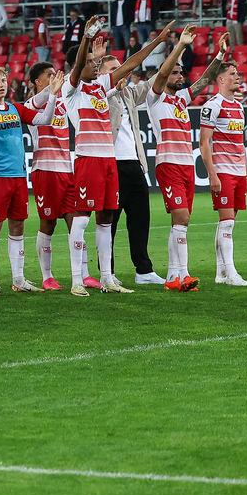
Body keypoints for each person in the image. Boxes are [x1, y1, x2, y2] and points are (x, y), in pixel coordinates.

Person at [61, 18, 172, 296]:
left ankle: (108, 278)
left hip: (109, 160)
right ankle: (77, 279)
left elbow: (130, 65)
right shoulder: (71, 88)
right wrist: (88, 36)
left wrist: (156, 43)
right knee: (83, 218)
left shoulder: (101, 87)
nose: (94, 64)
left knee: (106, 219)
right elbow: (77, 67)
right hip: (88, 159)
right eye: (90, 62)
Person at [0, 65, 58, 295]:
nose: (1, 84)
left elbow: (44, 119)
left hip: (19, 176)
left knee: (18, 226)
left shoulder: (16, 109)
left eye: (3, 80)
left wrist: (51, 96)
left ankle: (19, 279)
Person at [25, 61, 99, 290]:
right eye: (49, 75)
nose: (54, 78)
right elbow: (41, 99)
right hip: (45, 171)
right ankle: (47, 276)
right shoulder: (31, 104)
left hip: (67, 170)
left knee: (76, 223)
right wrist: (53, 89)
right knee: (47, 223)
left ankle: (84, 273)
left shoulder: (64, 101)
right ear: (38, 82)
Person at [145, 24, 205, 291]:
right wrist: (180, 45)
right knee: (182, 217)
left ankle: (172, 277)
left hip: (186, 165)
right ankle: (184, 275)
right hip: (168, 164)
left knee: (180, 222)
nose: (180, 76)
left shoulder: (181, 99)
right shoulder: (155, 97)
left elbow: (203, 82)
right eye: (176, 72)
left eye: (182, 73)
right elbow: (163, 73)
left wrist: (218, 58)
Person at [199, 55, 247, 286]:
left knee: (228, 222)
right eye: (232, 74)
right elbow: (204, 143)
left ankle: (221, 271)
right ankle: (231, 273)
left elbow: (240, 143)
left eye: (237, 73)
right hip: (223, 171)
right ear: (220, 79)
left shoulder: (239, 106)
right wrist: (212, 174)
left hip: (239, 171)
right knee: (227, 222)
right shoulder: (212, 105)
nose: (237, 76)